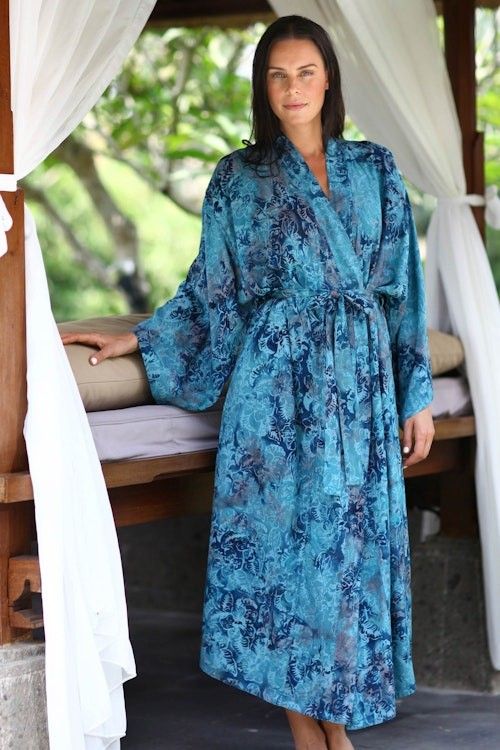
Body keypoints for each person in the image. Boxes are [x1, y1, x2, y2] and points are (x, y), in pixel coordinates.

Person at [62, 15, 435, 750]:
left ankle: (331, 733)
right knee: (286, 563)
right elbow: (213, 292)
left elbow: (403, 291)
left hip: (360, 389)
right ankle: (316, 737)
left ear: (328, 80)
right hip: (275, 395)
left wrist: (414, 394)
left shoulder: (375, 169)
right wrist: (140, 338)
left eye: (305, 73)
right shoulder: (238, 177)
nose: (293, 88)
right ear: (263, 87)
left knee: (345, 559)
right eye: (277, 75)